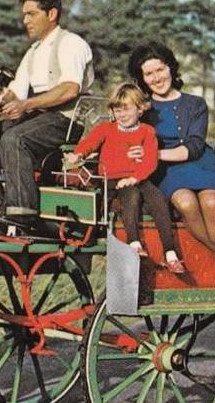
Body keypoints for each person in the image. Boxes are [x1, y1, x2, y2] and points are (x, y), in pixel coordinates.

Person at [127, 41, 215, 304]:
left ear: (171, 69)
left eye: (160, 70)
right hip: (166, 171)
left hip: (199, 163)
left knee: (210, 201)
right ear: (142, 79)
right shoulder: (143, 110)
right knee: (185, 202)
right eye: (149, 74)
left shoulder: (195, 104)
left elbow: (195, 146)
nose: (156, 78)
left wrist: (157, 154)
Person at [0, 0, 94, 220]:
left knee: (15, 139)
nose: (25, 21)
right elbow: (17, 91)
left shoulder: (72, 44)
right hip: (37, 119)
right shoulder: (32, 52)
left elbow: (70, 89)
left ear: (51, 14)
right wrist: (1, 103)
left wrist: (25, 105)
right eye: (24, 15)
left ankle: (22, 213)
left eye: (31, 14)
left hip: (65, 120)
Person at [64, 83, 185, 274]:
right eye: (116, 109)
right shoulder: (106, 128)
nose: (121, 114)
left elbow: (150, 160)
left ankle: (170, 253)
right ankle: (134, 242)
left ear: (140, 109)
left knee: (158, 199)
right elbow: (89, 143)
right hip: (112, 180)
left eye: (126, 109)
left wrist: (135, 178)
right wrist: (78, 155)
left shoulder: (147, 132)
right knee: (131, 195)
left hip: (139, 178)